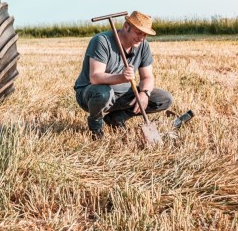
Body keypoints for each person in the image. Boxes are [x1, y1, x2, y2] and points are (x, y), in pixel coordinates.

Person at [74, 11, 173, 139]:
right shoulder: (101, 41)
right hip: (92, 94)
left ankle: (116, 118)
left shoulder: (143, 46)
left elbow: (147, 77)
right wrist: (121, 77)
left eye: (145, 35)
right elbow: (95, 77)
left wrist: (145, 93)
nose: (141, 38)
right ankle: (95, 125)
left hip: (123, 95)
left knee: (164, 98)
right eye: (138, 32)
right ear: (126, 26)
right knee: (104, 92)